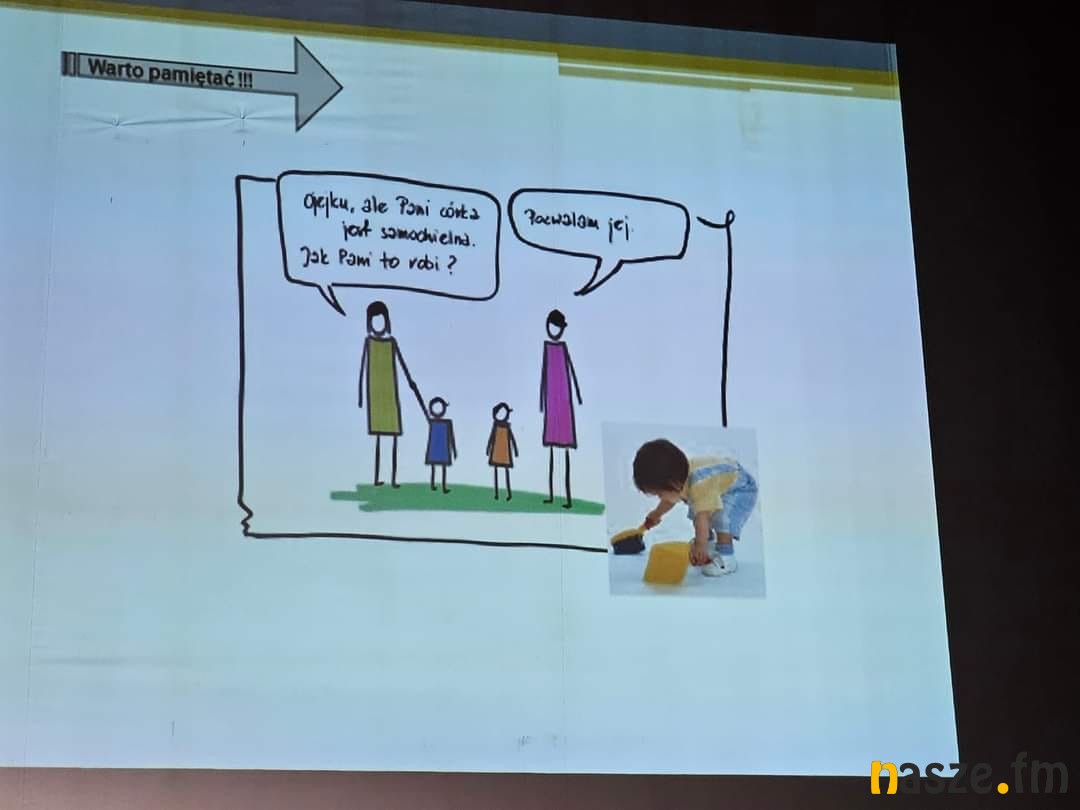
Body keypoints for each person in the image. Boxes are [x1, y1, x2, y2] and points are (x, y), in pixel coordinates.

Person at [633, 438, 758, 576]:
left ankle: (726, 557)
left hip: (740, 488)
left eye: (659, 494)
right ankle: (709, 542)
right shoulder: (681, 479)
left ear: (673, 483)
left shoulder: (699, 485)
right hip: (720, 483)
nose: (659, 497)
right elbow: (669, 500)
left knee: (721, 518)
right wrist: (656, 514)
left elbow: (702, 517)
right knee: (697, 508)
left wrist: (700, 544)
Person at [358, 301, 425, 487]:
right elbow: (363, 369)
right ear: (369, 323)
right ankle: (377, 478)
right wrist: (361, 395)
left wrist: (411, 382)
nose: (378, 325)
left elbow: (402, 364)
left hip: (390, 396)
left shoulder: (392, 342)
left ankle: (394, 478)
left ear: (387, 321)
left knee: (394, 437)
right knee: (379, 439)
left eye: (381, 320)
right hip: (376, 396)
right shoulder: (369, 343)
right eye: (374, 321)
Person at [539, 309, 582, 508]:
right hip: (552, 403)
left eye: (557, 327)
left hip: (564, 403)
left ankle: (567, 497)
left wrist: (577, 394)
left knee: (564, 450)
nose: (554, 330)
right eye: (552, 326)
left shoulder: (563, 348)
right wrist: (542, 399)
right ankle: (551, 495)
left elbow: (571, 370)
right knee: (551, 451)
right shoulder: (547, 348)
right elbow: (544, 375)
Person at [486, 402, 519, 500]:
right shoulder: (495, 426)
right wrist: (488, 449)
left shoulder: (507, 427)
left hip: (505, 453)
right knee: (496, 473)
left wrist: (515, 450)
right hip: (496, 452)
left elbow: (512, 439)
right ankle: (497, 494)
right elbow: (491, 438)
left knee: (506, 473)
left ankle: (509, 494)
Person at [425, 396, 456, 493]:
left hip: (443, 449)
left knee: (443, 468)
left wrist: (454, 450)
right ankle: (433, 485)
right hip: (434, 448)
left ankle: (443, 486)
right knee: (434, 468)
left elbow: (451, 436)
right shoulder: (432, 422)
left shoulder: (447, 423)